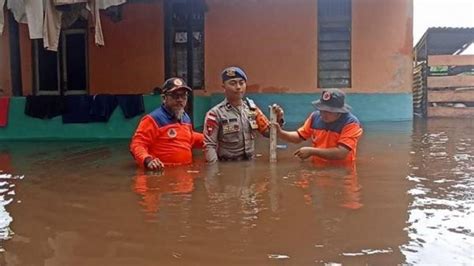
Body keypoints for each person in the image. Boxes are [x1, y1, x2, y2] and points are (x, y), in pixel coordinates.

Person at [203, 66, 284, 163]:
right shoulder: (215, 114)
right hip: (228, 164)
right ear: (224, 87)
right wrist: (215, 172)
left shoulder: (252, 110)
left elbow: (269, 133)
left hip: (250, 163)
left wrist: (278, 118)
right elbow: (209, 146)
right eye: (233, 83)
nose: (238, 87)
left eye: (241, 83)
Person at [130, 78, 203, 170]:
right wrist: (148, 160)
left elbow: (189, 138)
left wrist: (213, 140)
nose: (180, 100)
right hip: (161, 172)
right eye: (175, 96)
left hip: (184, 175)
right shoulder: (152, 119)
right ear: (164, 98)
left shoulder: (185, 117)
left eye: (184, 96)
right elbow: (137, 144)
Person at [275, 89, 363, 165]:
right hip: (318, 166)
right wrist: (280, 133)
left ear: (339, 111)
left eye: (328, 111)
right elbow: (299, 137)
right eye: (321, 110)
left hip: (341, 170)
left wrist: (312, 151)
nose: (323, 114)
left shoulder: (351, 123)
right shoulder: (315, 117)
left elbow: (341, 153)